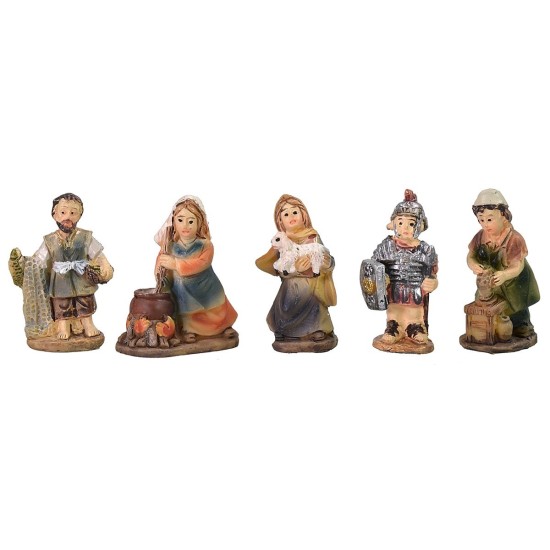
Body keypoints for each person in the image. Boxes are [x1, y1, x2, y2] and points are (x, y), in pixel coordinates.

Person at [11, 192, 113, 342]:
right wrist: (26, 264)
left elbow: (98, 255)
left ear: (80, 215)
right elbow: (38, 259)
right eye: (63, 212)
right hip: (60, 281)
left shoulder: (85, 237)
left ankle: (88, 324)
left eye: (73, 213)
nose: (68, 217)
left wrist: (104, 266)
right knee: (61, 304)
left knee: (85, 301)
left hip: (81, 277)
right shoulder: (50, 240)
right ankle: (63, 326)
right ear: (55, 214)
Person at [255, 194, 337, 348]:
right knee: (287, 303)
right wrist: (296, 270)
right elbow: (279, 269)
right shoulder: (281, 240)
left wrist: (328, 263)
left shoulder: (313, 236)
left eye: (294, 212)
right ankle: (284, 330)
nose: (291, 217)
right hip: (291, 285)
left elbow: (327, 259)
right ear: (280, 221)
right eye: (286, 214)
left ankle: (316, 329)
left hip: (312, 284)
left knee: (312, 300)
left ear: (303, 215)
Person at [154, 195, 237, 343]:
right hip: (182, 289)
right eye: (180, 220)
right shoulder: (169, 246)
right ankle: (188, 329)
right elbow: (160, 265)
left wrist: (176, 264)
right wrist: (160, 272)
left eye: (191, 221)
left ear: (199, 223)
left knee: (215, 308)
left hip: (206, 285)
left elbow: (202, 263)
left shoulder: (205, 245)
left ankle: (222, 327)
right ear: (173, 222)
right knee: (185, 307)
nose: (185, 225)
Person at [467, 188, 539, 337]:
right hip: (491, 282)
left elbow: (517, 266)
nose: (485, 224)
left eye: (489, 219)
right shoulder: (480, 236)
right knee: (485, 304)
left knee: (516, 304)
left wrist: (505, 275)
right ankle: (492, 327)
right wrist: (473, 264)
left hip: (514, 282)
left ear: (503, 216)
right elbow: (471, 255)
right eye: (481, 220)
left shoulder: (514, 239)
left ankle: (522, 324)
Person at [370, 190, 438, 346]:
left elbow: (432, 271)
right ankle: (394, 327)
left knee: (414, 312)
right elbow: (374, 267)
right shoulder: (386, 247)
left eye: (411, 223)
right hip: (393, 290)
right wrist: (381, 280)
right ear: (392, 224)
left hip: (416, 291)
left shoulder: (425, 250)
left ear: (420, 225)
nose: (405, 227)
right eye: (400, 223)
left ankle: (414, 327)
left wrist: (433, 282)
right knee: (394, 311)